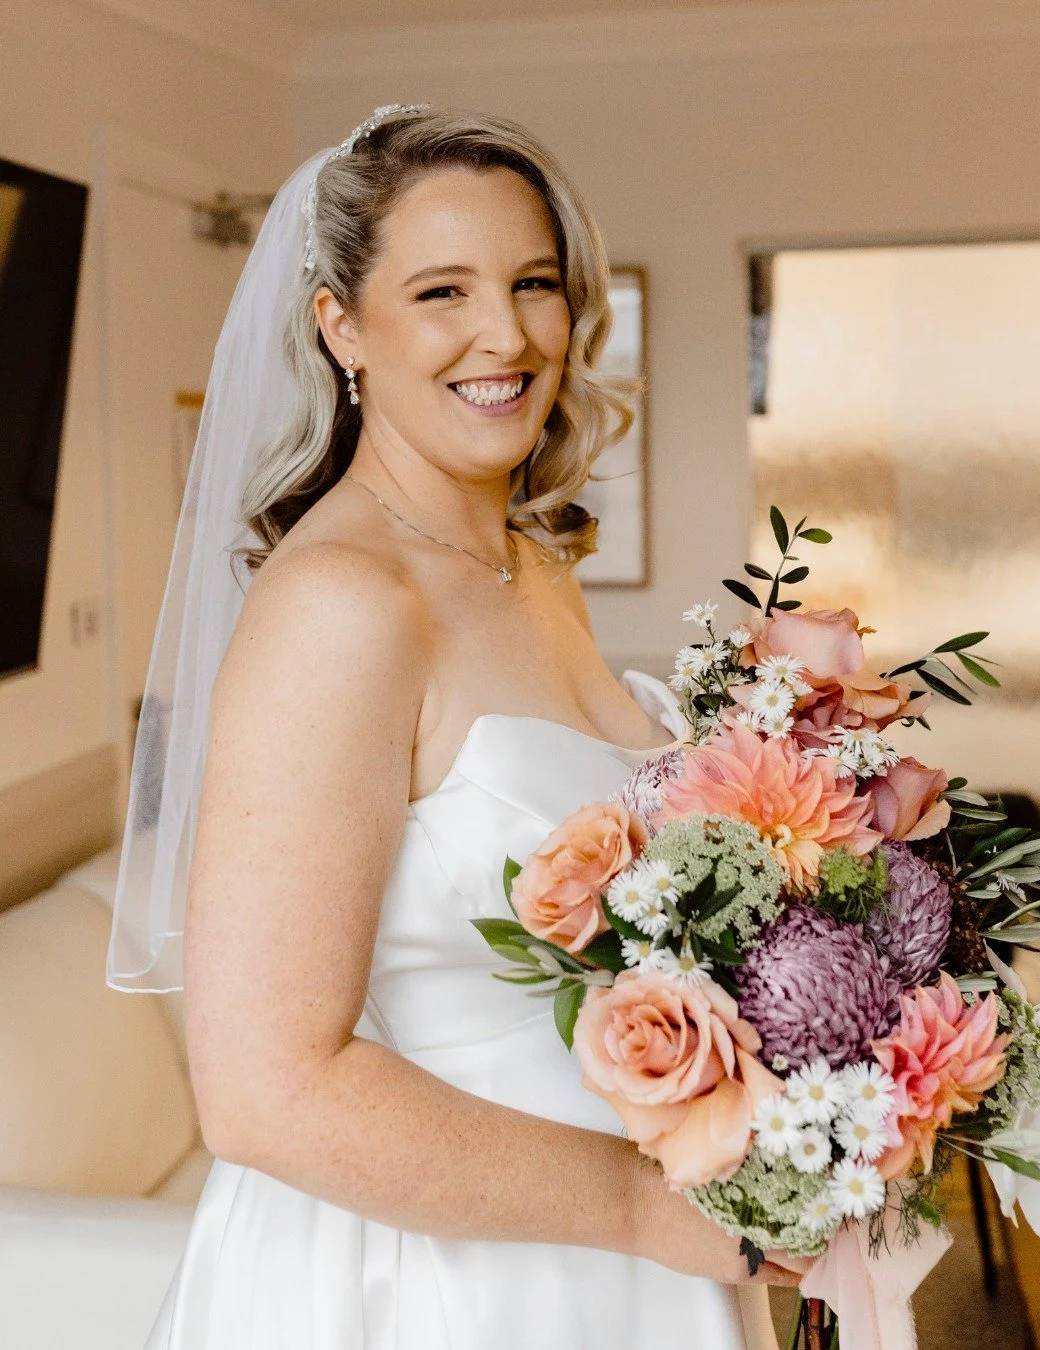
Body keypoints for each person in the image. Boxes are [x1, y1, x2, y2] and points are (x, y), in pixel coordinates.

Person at [108, 104, 804, 1349]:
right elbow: (267, 1095)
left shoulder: (527, 564)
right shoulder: (339, 606)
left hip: (642, 1240)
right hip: (443, 1281)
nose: (508, 334)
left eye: (535, 283)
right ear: (342, 328)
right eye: (443, 291)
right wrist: (648, 1213)